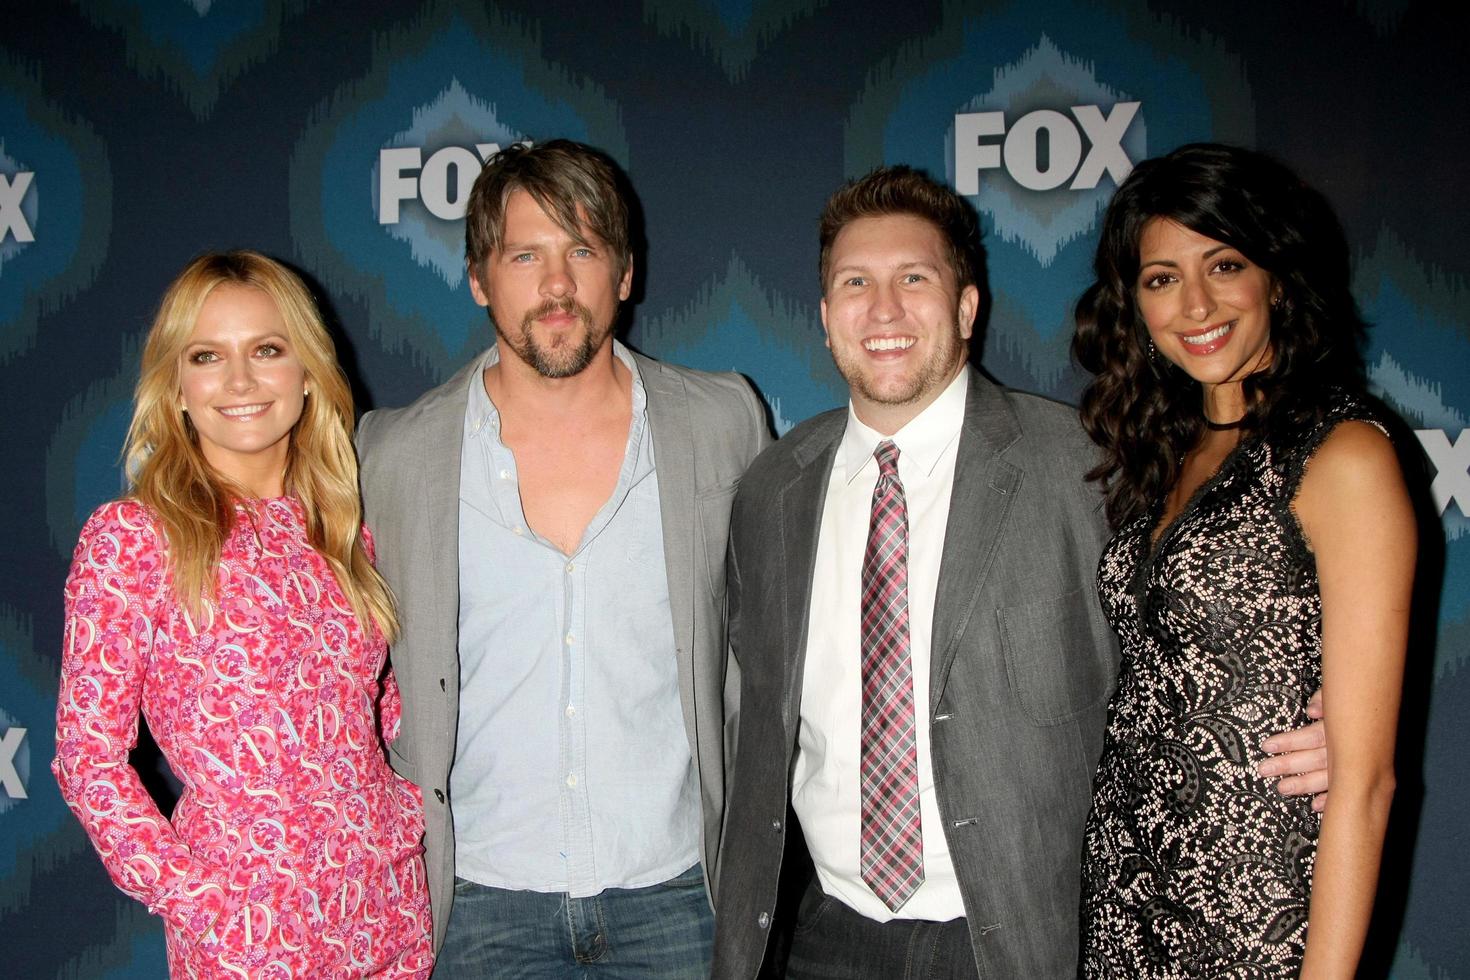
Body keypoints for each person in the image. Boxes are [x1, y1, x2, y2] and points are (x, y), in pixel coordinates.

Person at [711, 166, 1335, 979]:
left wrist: (1329, 722)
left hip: (1022, 940)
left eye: (915, 278)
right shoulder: (770, 489)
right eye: (856, 283)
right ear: (827, 318)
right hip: (826, 935)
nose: (886, 309)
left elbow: (1199, 640)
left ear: (967, 308)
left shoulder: (1091, 468)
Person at [356, 139, 769, 977]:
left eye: (582, 250)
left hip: (678, 897)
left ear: (623, 273)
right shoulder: (392, 453)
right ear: (479, 278)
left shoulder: (722, 423)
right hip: (477, 907)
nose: (555, 285)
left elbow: (762, 657)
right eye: (525, 255)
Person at [1071, 143, 1412, 978]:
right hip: (1127, 894)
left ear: (1277, 277)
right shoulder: (1166, 456)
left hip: (1255, 907)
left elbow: (1363, 787)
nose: (1195, 303)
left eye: (1223, 264)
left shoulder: (1342, 455)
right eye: (1160, 278)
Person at [53, 251, 433, 977]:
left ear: (307, 373)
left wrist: (406, 813)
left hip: (388, 911)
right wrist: (201, 899)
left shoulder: (345, 528)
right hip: (249, 934)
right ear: (177, 386)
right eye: (206, 356)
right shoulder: (133, 538)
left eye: (266, 349)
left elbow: (378, 701)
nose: (239, 381)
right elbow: (88, 761)